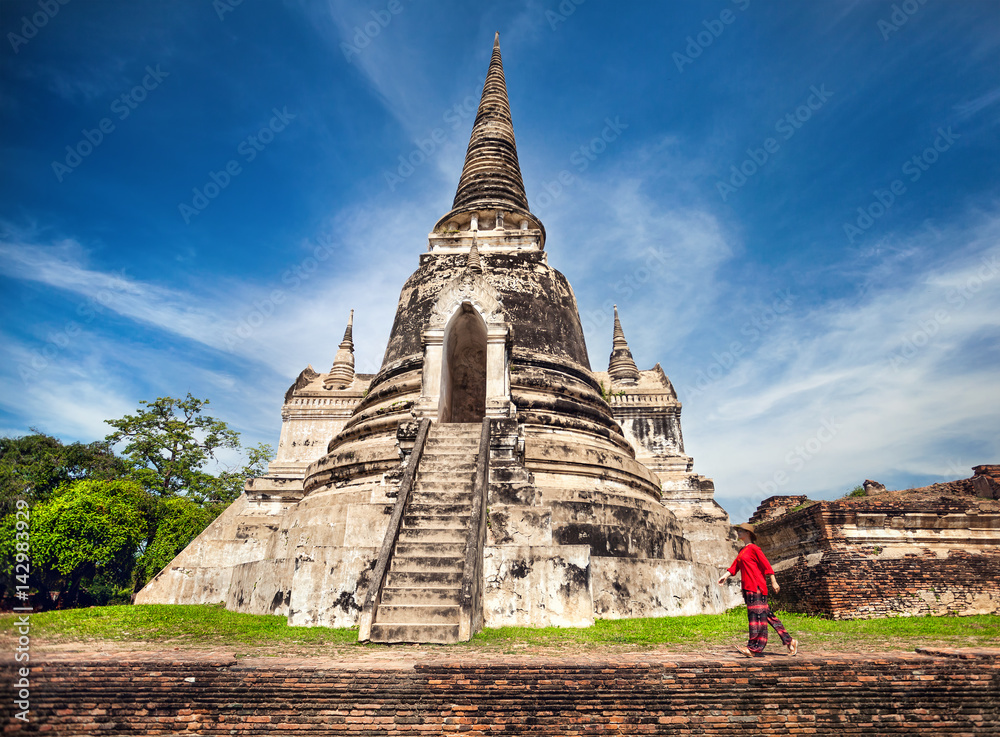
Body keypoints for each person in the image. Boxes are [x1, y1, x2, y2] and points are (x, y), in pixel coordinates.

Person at [717, 523, 798, 657]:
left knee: (757, 619)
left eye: (741, 531)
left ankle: (754, 648)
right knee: (768, 616)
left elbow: (766, 565)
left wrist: (773, 581)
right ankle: (790, 641)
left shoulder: (754, 548)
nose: (738, 533)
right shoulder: (742, 550)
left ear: (748, 533)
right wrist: (724, 576)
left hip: (757, 587)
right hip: (748, 588)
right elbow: (735, 566)